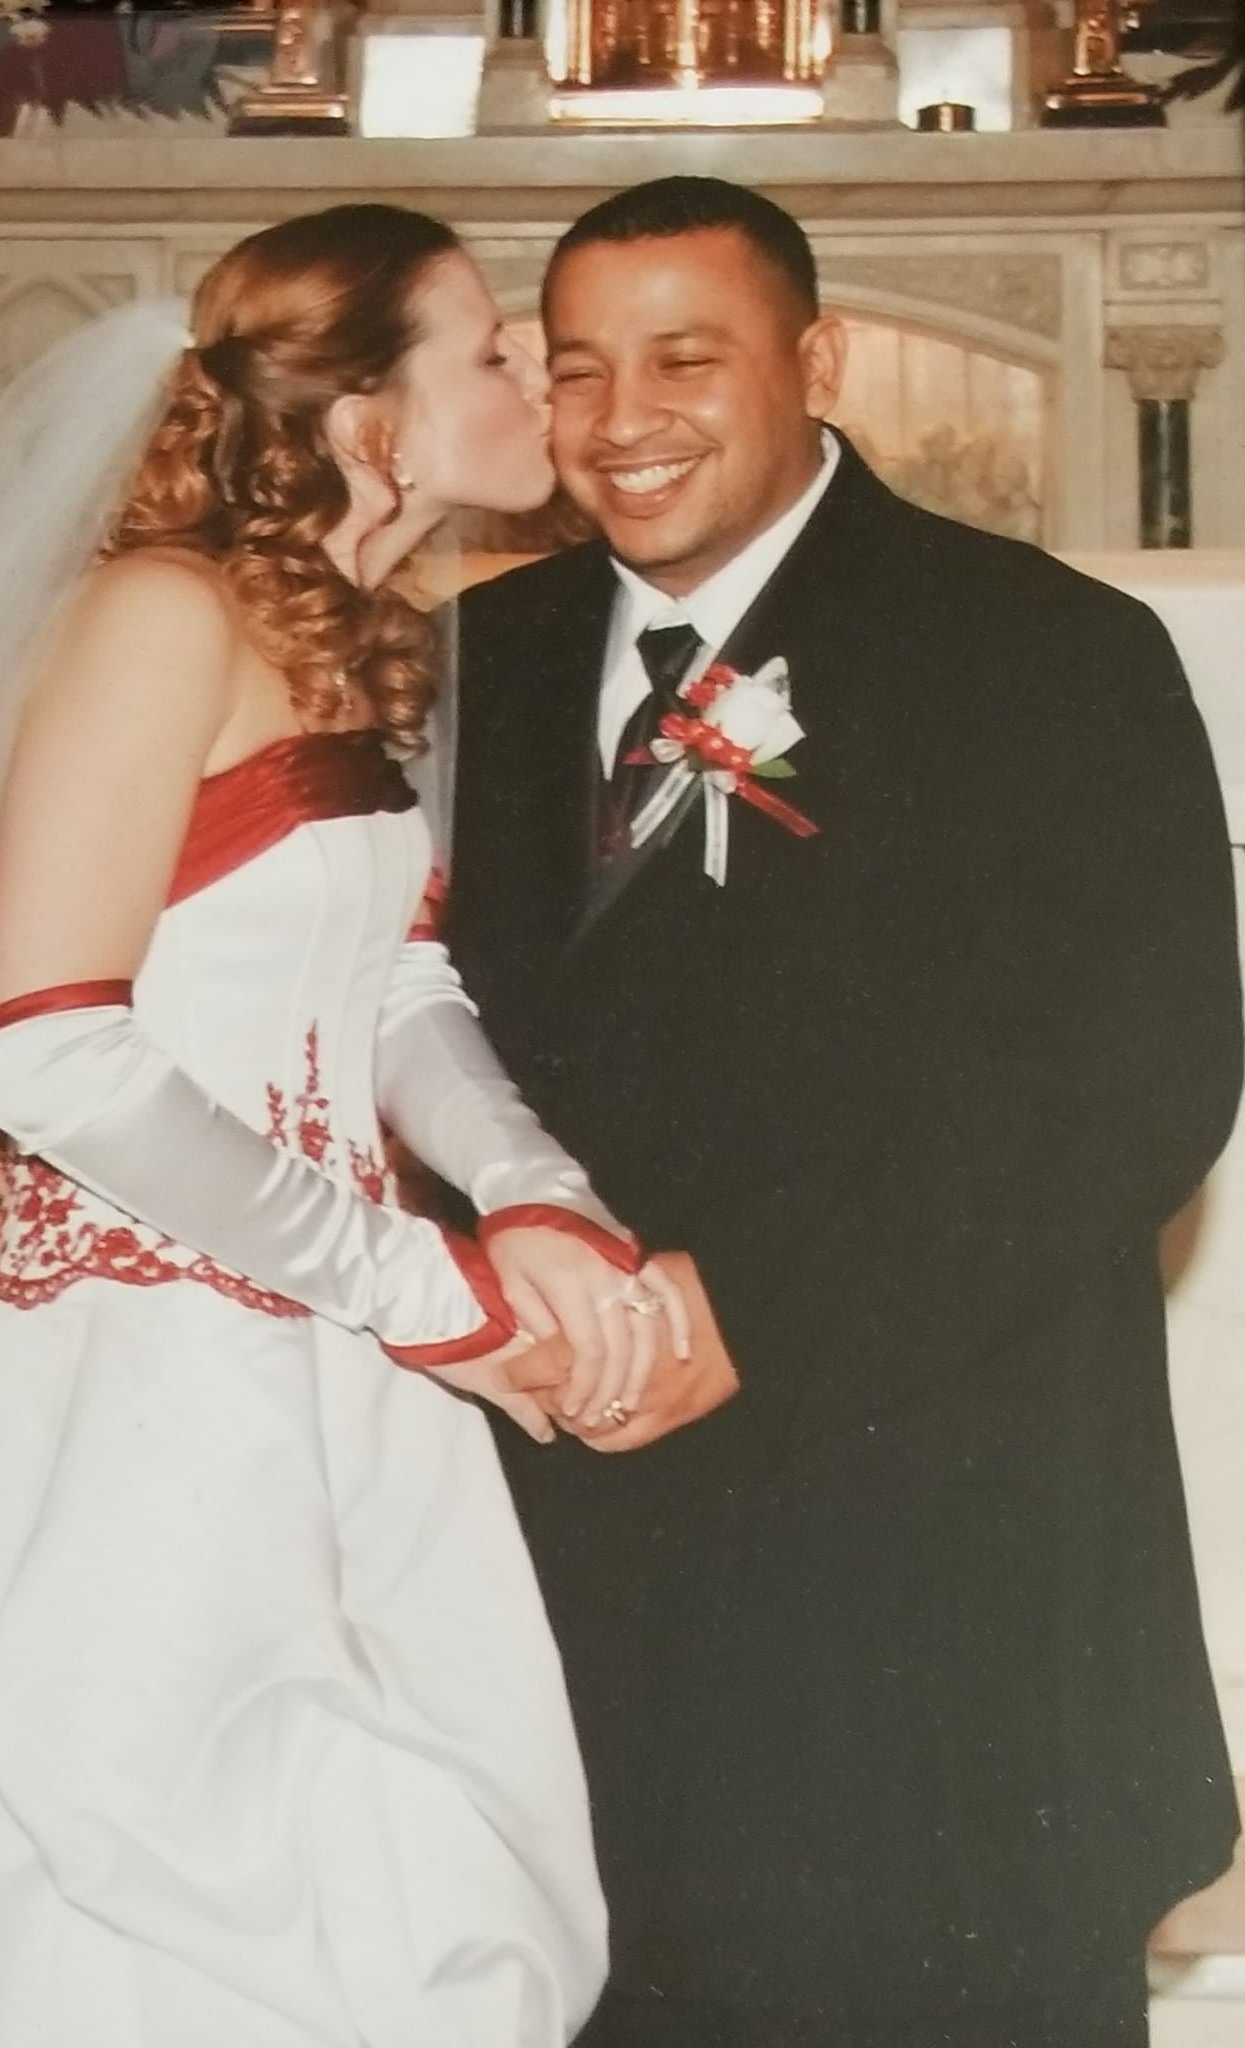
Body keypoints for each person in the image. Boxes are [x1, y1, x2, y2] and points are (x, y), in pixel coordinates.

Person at [0, 203, 694, 2048]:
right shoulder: (158, 613)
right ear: (367, 415)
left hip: (349, 1385)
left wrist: (538, 1207)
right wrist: (422, 1287)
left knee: (400, 1911)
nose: (535, 388)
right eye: (489, 351)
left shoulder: (366, 641)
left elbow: (395, 995)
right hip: (140, 1386)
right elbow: (53, 1051)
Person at [446, 176, 1243, 2047]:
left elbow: (1133, 1087)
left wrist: (763, 1309)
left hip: (931, 1583)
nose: (620, 418)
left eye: (685, 359)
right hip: (570, 1571)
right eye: (575, 371)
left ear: (815, 360)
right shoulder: (468, 668)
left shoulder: (1048, 649)